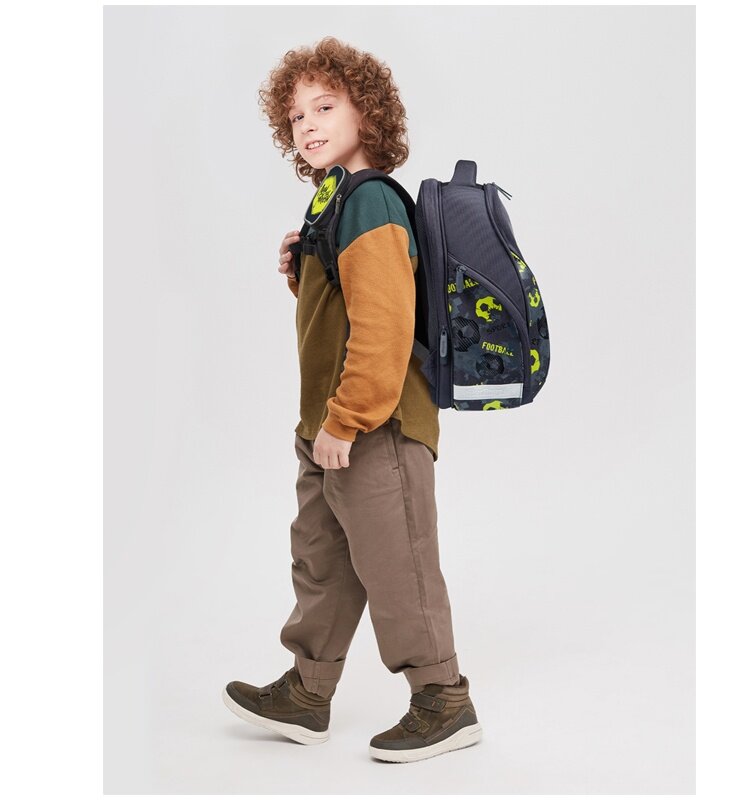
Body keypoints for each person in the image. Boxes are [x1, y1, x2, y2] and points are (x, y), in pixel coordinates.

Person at [222, 36, 481, 763]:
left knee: (398, 563)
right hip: (330, 425)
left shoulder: (369, 201)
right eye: (296, 116)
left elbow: (385, 329)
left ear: (367, 112)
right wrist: (302, 272)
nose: (307, 124)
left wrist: (347, 420)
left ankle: (445, 701)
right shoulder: (333, 202)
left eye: (325, 106)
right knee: (323, 562)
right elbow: (343, 314)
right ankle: (307, 693)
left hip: (376, 425)